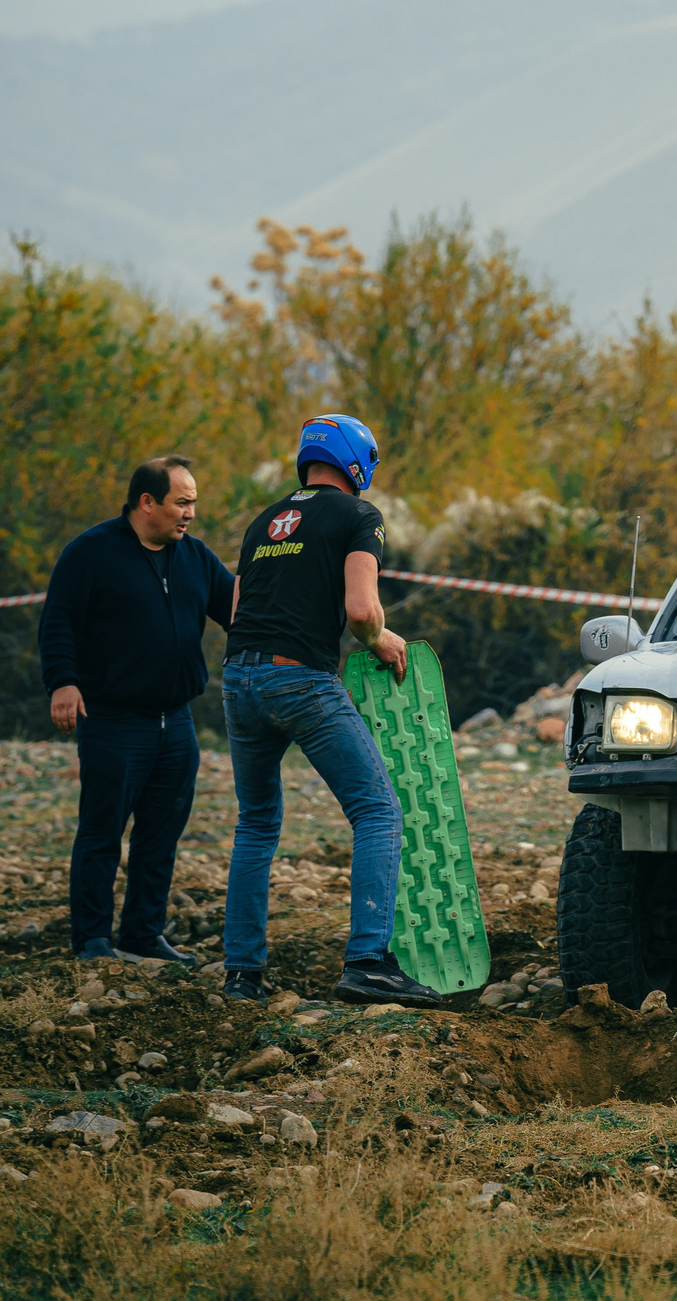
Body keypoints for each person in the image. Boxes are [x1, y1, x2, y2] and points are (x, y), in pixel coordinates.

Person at [219, 415, 442, 1007]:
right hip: (300, 681)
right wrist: (383, 640)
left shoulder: (264, 520)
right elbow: (363, 611)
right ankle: (368, 961)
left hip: (239, 678)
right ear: (357, 462)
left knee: (256, 824)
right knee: (377, 812)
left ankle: (242, 974)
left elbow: (238, 606)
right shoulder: (358, 517)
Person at [40, 455, 238, 965]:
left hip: (178, 722)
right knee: (102, 832)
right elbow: (58, 620)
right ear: (147, 502)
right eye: (183, 502)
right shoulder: (90, 553)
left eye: (194, 501)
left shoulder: (194, 557)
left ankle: (142, 935)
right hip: (113, 721)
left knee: (160, 835)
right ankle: (92, 942)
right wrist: (63, 682)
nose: (192, 512)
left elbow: (240, 610)